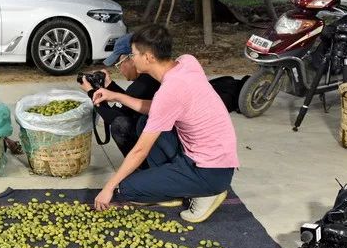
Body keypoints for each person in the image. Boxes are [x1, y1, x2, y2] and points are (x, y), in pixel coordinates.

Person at [92, 23, 239, 223]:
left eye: (133, 54)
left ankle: (205, 193)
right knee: (145, 121)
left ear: (149, 57)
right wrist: (115, 96)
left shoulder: (169, 90)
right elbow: (159, 109)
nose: (132, 59)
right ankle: (175, 184)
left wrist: (108, 187)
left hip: (208, 171)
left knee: (127, 189)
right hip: (216, 158)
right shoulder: (187, 62)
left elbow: (140, 151)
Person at [79, 32, 161, 157]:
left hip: (158, 145)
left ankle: (142, 167)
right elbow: (131, 101)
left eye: (119, 64)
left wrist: (91, 92)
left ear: (132, 58)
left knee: (120, 126)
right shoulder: (150, 78)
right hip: (162, 140)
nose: (120, 69)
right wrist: (110, 85)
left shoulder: (143, 85)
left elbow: (114, 117)